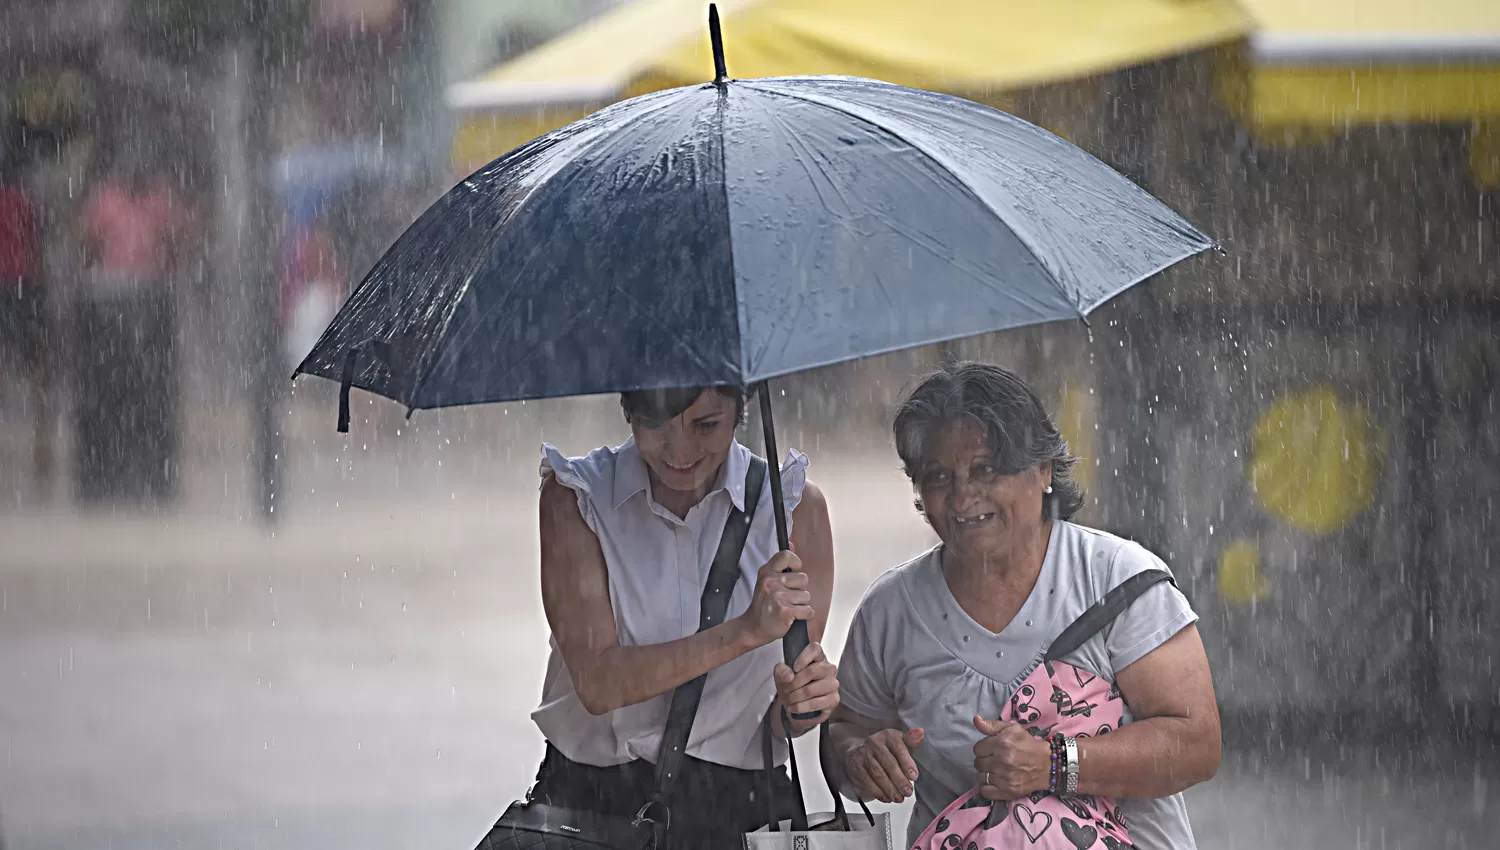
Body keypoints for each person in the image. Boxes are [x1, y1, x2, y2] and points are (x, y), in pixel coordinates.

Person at [830, 362, 1220, 849]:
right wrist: (859, 758)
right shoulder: (891, 611)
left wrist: (1056, 765)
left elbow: (1196, 745)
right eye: (937, 477)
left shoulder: (1117, 580)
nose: (962, 496)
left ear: (1042, 470)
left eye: (985, 469)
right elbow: (843, 734)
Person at [518, 385, 839, 849]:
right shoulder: (578, 498)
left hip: (743, 814)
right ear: (627, 409)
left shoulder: (795, 510)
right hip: (591, 809)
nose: (680, 451)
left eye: (705, 425)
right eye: (655, 424)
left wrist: (803, 704)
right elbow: (598, 683)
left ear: (740, 408)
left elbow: (776, 720)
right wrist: (744, 632)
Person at [73, 151, 192, 506]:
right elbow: (85, 241)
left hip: (150, 300)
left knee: (150, 393)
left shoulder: (160, 200)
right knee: (114, 393)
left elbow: (181, 238)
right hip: (111, 302)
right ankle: (106, 478)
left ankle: (152, 477)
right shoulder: (106, 200)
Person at [0, 151, 52, 492]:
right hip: (26, 286)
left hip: (7, 287)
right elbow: (39, 245)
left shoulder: (23, 203)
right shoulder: (27, 202)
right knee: (37, 369)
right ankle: (41, 447)